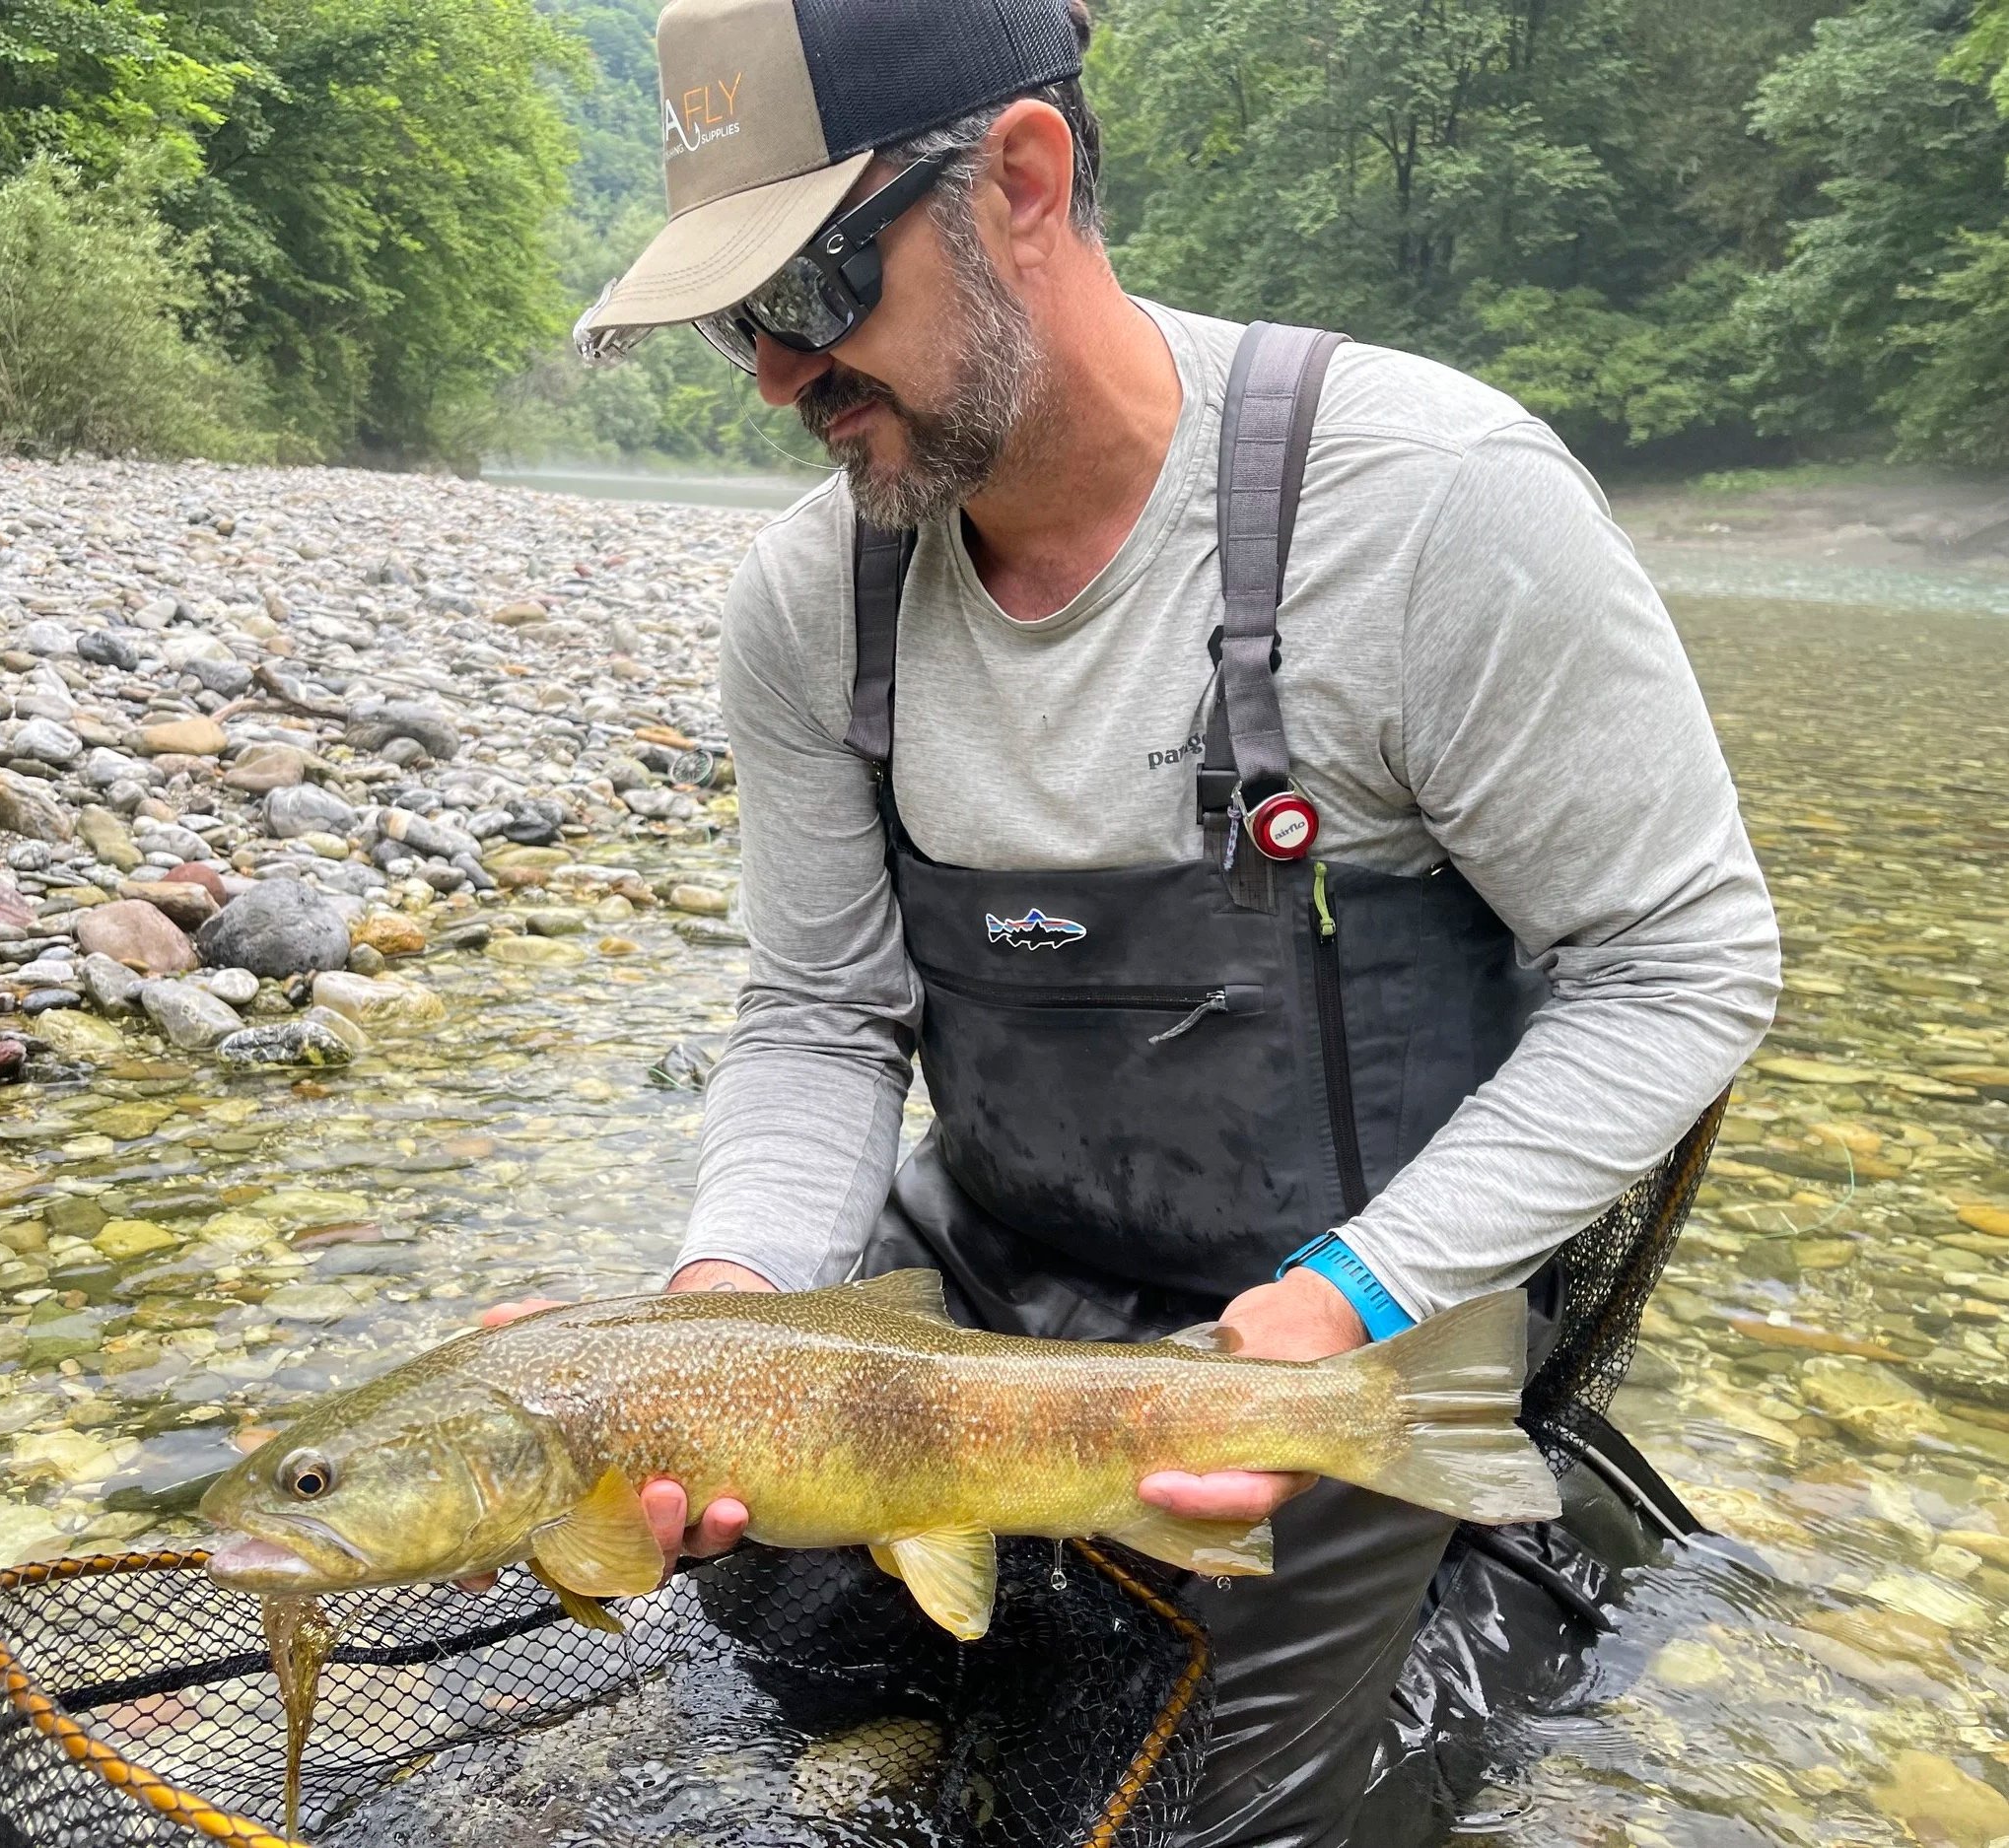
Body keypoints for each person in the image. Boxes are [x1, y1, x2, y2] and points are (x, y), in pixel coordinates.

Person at [520, 0, 1781, 1839]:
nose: (777, 375)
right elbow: (818, 1018)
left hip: (1351, 1293)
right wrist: (727, 1319)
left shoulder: (1435, 512)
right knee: (786, 1650)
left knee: (1209, 1822)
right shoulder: (808, 603)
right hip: (982, 1282)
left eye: (808, 291)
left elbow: (1680, 967)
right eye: (737, 320)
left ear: (1020, 179)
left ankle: (1504, 1572)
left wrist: (1350, 1304)